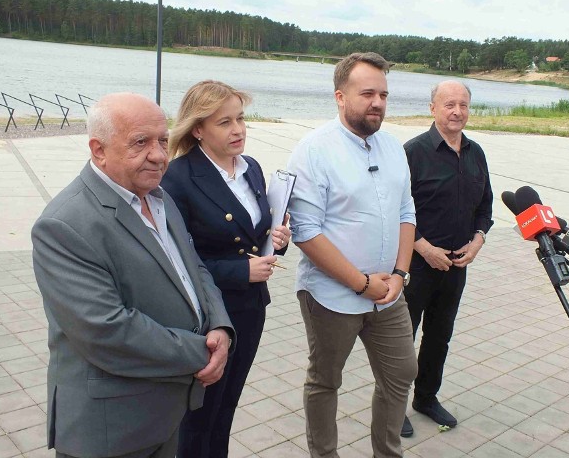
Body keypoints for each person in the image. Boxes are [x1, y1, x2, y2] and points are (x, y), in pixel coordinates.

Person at [31, 93, 235, 458]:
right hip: (111, 429)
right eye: (140, 142)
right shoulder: (63, 224)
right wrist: (201, 351)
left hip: (165, 414)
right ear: (99, 150)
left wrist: (219, 324)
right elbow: (105, 329)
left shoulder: (157, 196)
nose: (159, 155)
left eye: (162, 140)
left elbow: (194, 268)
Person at [287, 52, 418, 458]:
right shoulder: (313, 150)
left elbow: (406, 211)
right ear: (340, 97)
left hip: (388, 293)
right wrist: (360, 282)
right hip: (331, 296)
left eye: (383, 94)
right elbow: (305, 231)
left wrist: (399, 273)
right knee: (326, 381)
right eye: (367, 93)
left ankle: (387, 452)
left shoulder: (394, 147)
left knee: (401, 373)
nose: (377, 102)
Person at [161, 80, 291, 458]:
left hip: (250, 309)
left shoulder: (251, 168)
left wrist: (277, 239)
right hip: (207, 316)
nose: (238, 130)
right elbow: (176, 261)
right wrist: (239, 272)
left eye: (241, 118)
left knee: (227, 406)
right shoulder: (178, 178)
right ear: (197, 129)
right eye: (224, 122)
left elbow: (254, 236)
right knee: (199, 414)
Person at [400, 81, 493, 437]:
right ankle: (393, 404)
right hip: (416, 265)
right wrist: (422, 247)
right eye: (449, 104)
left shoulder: (475, 152)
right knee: (401, 338)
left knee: (440, 336)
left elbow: (485, 205)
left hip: (456, 267)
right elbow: (395, 210)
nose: (457, 112)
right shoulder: (413, 152)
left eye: (463, 105)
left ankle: (426, 397)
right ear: (433, 108)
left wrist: (478, 240)